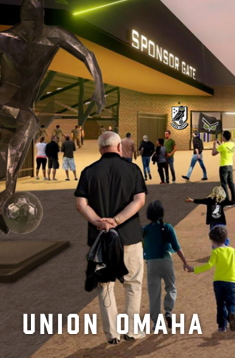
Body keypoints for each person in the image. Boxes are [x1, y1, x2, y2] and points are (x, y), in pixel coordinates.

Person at [74, 131, 148, 344]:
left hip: (100, 242)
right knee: (132, 284)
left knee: (105, 285)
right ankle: (132, 331)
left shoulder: (88, 172)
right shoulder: (133, 170)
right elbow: (139, 200)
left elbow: (81, 204)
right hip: (130, 237)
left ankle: (112, 334)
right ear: (118, 147)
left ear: (100, 149)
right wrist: (117, 220)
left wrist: (99, 222)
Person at [143, 200, 191, 328]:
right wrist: (185, 262)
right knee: (171, 287)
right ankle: (168, 311)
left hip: (151, 263)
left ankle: (156, 323)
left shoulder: (145, 230)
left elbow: (142, 246)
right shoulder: (168, 227)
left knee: (153, 294)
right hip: (166, 261)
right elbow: (176, 247)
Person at [191, 226, 235, 332]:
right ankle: (232, 314)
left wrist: (194, 269)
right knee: (231, 303)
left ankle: (222, 325)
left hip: (218, 282)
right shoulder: (233, 251)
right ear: (225, 239)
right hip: (231, 282)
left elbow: (208, 265)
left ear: (213, 241)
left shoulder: (215, 252)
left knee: (220, 304)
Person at [212, 130, 235, 203]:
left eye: (222, 135)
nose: (221, 137)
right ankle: (234, 200)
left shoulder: (222, 146)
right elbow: (225, 147)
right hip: (230, 165)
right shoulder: (232, 144)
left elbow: (213, 153)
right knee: (231, 183)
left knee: (224, 184)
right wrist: (219, 144)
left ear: (224, 137)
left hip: (223, 166)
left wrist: (214, 145)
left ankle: (227, 200)